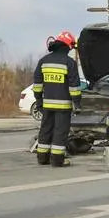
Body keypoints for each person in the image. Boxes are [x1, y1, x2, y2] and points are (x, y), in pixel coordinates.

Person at [33, 31, 82, 167]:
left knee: (45, 130)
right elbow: (74, 87)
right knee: (60, 131)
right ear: (67, 46)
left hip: (47, 104)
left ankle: (42, 158)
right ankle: (57, 159)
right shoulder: (69, 62)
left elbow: (37, 84)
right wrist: (77, 103)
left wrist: (39, 100)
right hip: (63, 106)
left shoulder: (43, 61)